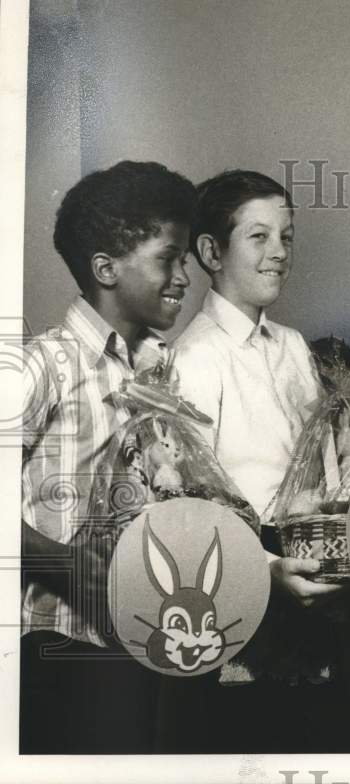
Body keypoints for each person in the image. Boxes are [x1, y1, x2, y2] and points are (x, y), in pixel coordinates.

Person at [169, 170, 350, 751]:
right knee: (255, 737)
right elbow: (185, 503)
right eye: (259, 237)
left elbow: (323, 468)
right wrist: (265, 568)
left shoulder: (295, 346)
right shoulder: (196, 358)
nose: (279, 252)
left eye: (287, 236)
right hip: (244, 573)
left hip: (311, 570)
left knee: (322, 737)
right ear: (210, 251)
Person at [20, 160, 197, 753]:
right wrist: (63, 564)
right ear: (106, 269)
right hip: (55, 642)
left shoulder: (160, 371)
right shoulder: (44, 365)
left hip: (142, 640)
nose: (183, 277)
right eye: (167, 259)